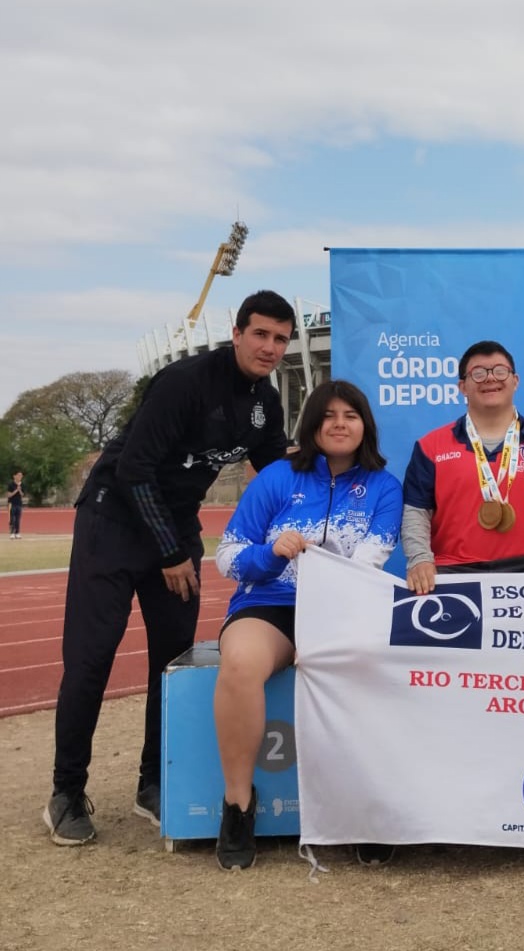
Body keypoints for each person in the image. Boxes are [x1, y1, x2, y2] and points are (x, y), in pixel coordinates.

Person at [44, 290, 296, 847]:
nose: (270, 348)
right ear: (237, 333)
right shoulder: (184, 381)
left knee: (170, 662)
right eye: (260, 334)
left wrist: (332, 488)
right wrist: (170, 552)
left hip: (176, 525)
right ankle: (66, 791)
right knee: (92, 658)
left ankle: (152, 783)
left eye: (281, 338)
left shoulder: (265, 401)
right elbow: (134, 468)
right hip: (113, 520)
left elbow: (279, 473)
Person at [213, 379, 402, 871]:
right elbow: (227, 556)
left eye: (350, 415)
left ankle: (367, 807)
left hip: (344, 605)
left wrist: (328, 563)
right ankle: (237, 805)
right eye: (328, 415)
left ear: (365, 426)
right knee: (239, 663)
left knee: (376, 668)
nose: (339, 424)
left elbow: (371, 559)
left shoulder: (384, 487)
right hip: (272, 603)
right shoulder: (276, 478)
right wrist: (270, 556)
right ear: (312, 424)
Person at [402, 340, 524, 595]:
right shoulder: (431, 446)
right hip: (451, 573)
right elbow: (416, 511)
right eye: (478, 373)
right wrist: (420, 559)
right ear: (462, 386)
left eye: (500, 371)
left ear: (515, 381)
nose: (490, 379)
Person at [7, 470, 24, 538]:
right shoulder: (10, 484)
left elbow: (22, 495)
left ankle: (17, 532)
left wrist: (20, 490)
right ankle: (12, 533)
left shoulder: (22, 484)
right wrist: (16, 490)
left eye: (21, 475)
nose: (20, 477)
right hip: (11, 504)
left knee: (18, 519)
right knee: (12, 519)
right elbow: (9, 495)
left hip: (19, 504)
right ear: (14, 476)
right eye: (19, 475)